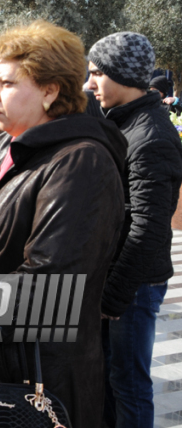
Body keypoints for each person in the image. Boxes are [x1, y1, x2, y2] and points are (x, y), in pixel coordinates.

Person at [0, 21, 128, 428]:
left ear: (51, 91)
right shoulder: (9, 149)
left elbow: (50, 285)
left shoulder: (80, 162)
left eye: (7, 84)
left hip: (33, 380)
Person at [86, 32, 182, 428]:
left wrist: (113, 297)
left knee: (129, 385)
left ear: (121, 74)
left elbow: (148, 228)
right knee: (110, 380)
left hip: (133, 287)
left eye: (96, 74)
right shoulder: (121, 122)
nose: (90, 84)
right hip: (117, 280)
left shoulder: (151, 137)